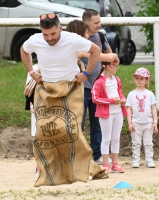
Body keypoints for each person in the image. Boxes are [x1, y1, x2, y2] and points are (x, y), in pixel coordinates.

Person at [20, 13, 107, 187]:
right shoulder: (35, 40)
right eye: (45, 35)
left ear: (60, 28)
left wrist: (86, 74)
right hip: (46, 88)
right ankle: (48, 171)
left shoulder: (72, 39)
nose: (49, 38)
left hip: (70, 88)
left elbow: (95, 51)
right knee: (44, 131)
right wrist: (31, 72)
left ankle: (83, 169)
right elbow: (24, 50)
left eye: (53, 34)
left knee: (71, 130)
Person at [81, 9, 113, 165]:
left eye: (99, 22)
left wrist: (105, 75)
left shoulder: (100, 36)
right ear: (86, 23)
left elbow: (111, 56)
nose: (99, 25)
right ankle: (78, 154)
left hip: (97, 87)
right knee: (79, 122)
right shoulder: (78, 38)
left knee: (97, 123)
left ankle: (97, 154)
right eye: (96, 23)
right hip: (82, 87)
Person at [91, 62, 127, 173]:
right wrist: (111, 101)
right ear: (108, 66)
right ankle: (106, 164)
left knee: (116, 138)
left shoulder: (117, 79)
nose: (118, 68)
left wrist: (123, 99)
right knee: (106, 138)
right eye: (116, 66)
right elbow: (95, 99)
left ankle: (115, 163)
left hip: (118, 112)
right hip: (106, 114)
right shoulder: (99, 82)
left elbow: (120, 92)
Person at [125, 68, 159, 168]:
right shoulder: (131, 94)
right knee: (136, 143)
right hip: (136, 122)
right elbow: (129, 109)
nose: (139, 80)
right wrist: (130, 123)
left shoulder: (150, 94)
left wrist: (155, 121)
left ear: (146, 80)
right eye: (137, 78)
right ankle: (136, 160)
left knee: (148, 143)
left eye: (142, 78)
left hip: (148, 122)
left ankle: (149, 160)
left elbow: (153, 108)